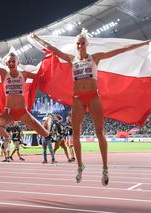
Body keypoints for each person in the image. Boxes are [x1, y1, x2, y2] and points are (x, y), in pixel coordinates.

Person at [31, 31, 150, 186]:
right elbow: (53, 49)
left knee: (100, 132)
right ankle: (80, 166)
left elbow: (120, 50)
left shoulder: (95, 58)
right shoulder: (72, 59)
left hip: (93, 97)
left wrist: (144, 42)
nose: (80, 46)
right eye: (78, 43)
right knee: (75, 135)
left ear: (87, 44)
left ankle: (105, 168)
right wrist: (37, 39)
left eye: (82, 43)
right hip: (78, 99)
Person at [0, 35, 49, 156]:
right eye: (9, 61)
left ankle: (51, 128)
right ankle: (7, 136)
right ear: (6, 63)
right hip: (9, 113)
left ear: (17, 62)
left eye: (13, 61)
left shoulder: (24, 74)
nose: (11, 63)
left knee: (46, 134)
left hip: (23, 112)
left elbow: (41, 78)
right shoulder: (4, 73)